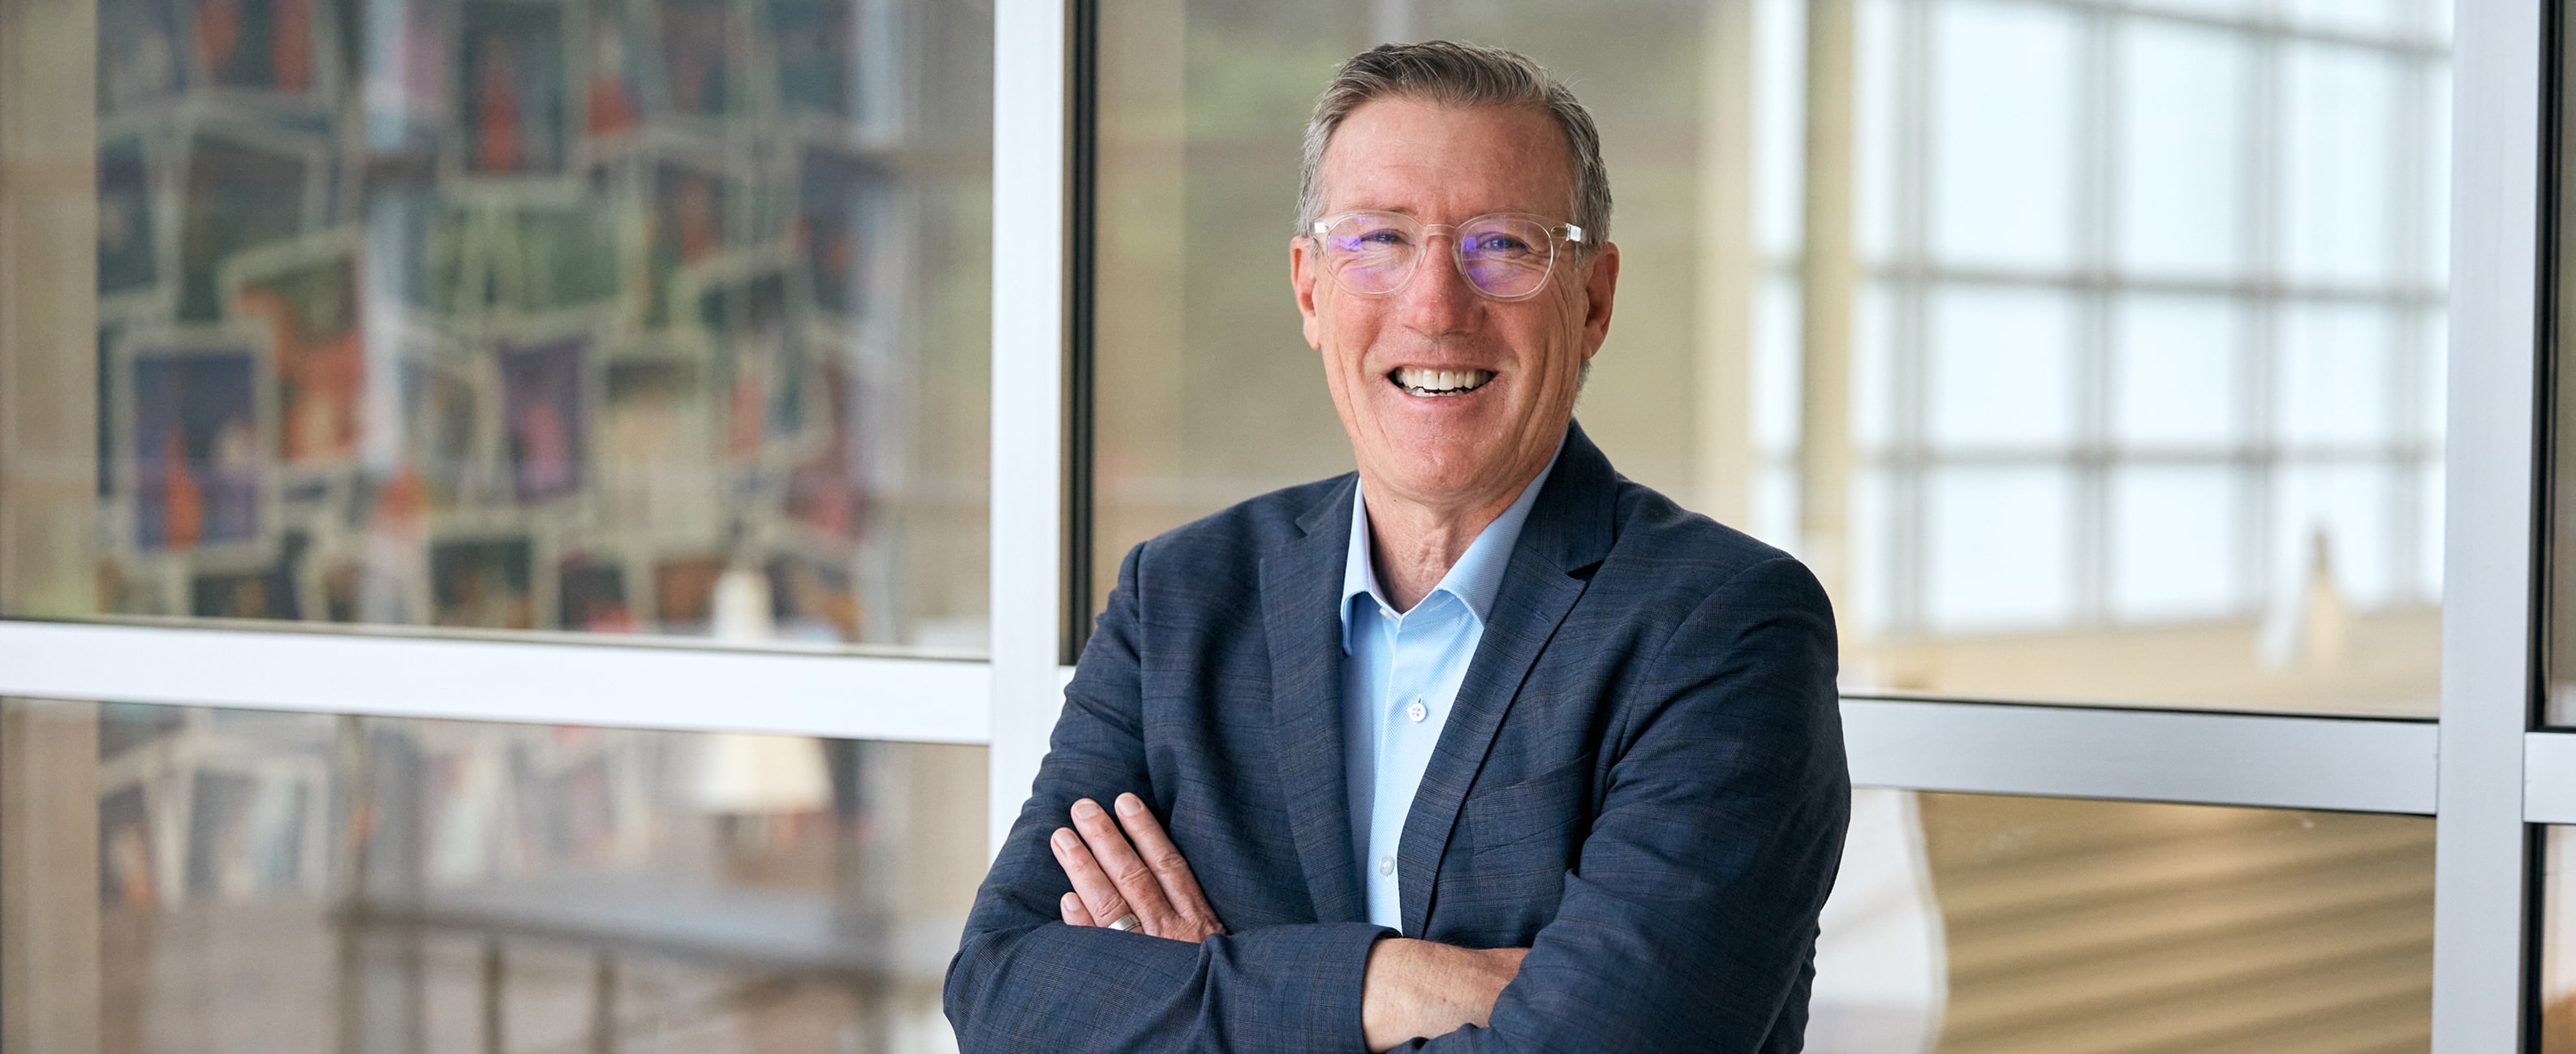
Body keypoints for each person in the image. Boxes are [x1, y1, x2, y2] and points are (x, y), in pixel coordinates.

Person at [946, 40, 1848, 1052]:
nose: (1434, 306)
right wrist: (1396, 982)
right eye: (1378, 240)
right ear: (1309, 289)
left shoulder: (1727, 628)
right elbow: (1003, 989)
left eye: (1501, 245)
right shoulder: (1180, 598)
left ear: (1591, 300)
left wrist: (1213, 988)